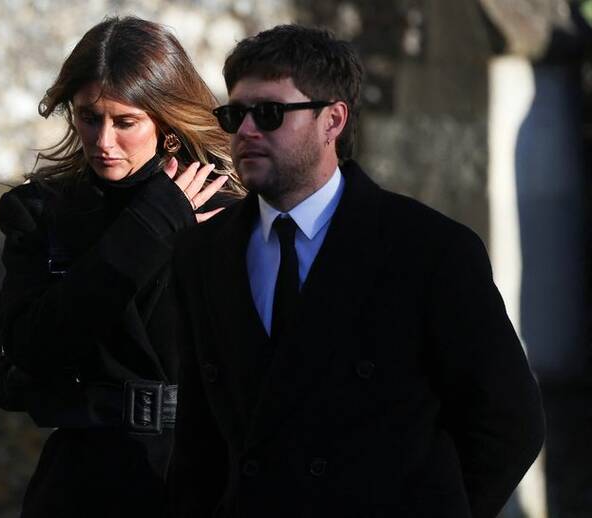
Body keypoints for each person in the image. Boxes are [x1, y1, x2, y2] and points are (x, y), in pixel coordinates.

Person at [170, 24, 545, 518]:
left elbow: (509, 422)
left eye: (269, 113)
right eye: (235, 114)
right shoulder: (203, 253)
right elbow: (197, 442)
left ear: (333, 120)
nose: (245, 131)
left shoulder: (430, 250)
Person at [0, 16, 243, 518]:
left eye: (125, 122)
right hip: (83, 481)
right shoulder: (40, 213)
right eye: (87, 116)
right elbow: (32, 348)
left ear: (165, 121)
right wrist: (149, 230)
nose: (102, 140)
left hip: (203, 481)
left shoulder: (230, 213)